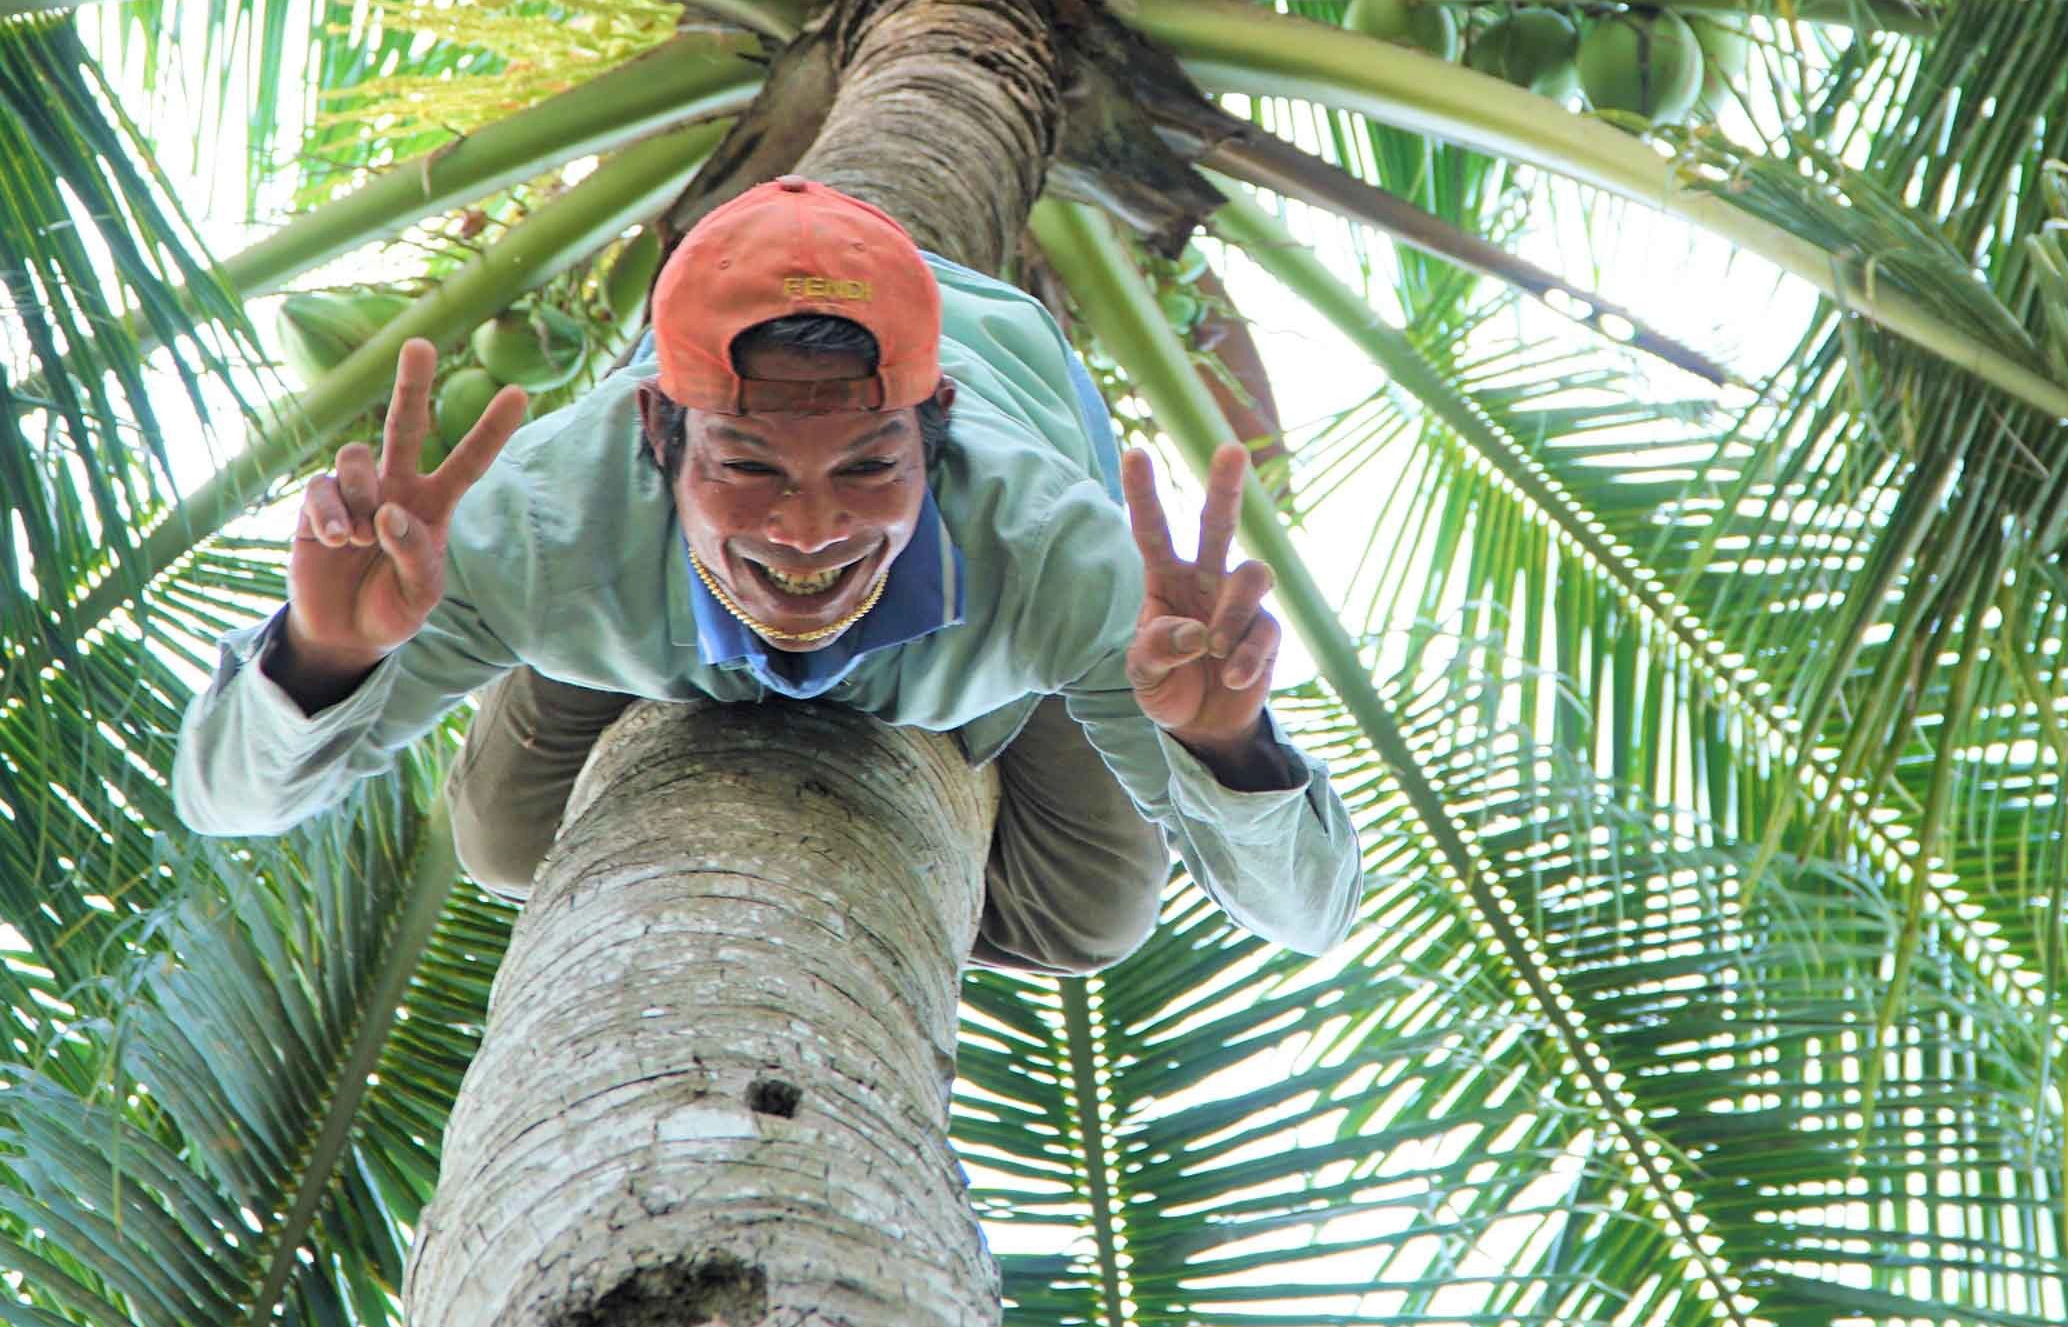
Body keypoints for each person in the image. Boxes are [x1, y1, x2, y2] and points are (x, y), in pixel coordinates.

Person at [172, 175, 1361, 971]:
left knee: (1093, 917)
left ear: (932, 433)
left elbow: (1309, 914)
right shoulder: (536, 526)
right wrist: (323, 655)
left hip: (1005, 564)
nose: (805, 530)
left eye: (864, 467)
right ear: (656, 437)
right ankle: (661, 636)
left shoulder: (1058, 556)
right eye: (747, 464)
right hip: (612, 579)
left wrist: (1226, 746)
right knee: (503, 843)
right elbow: (228, 801)